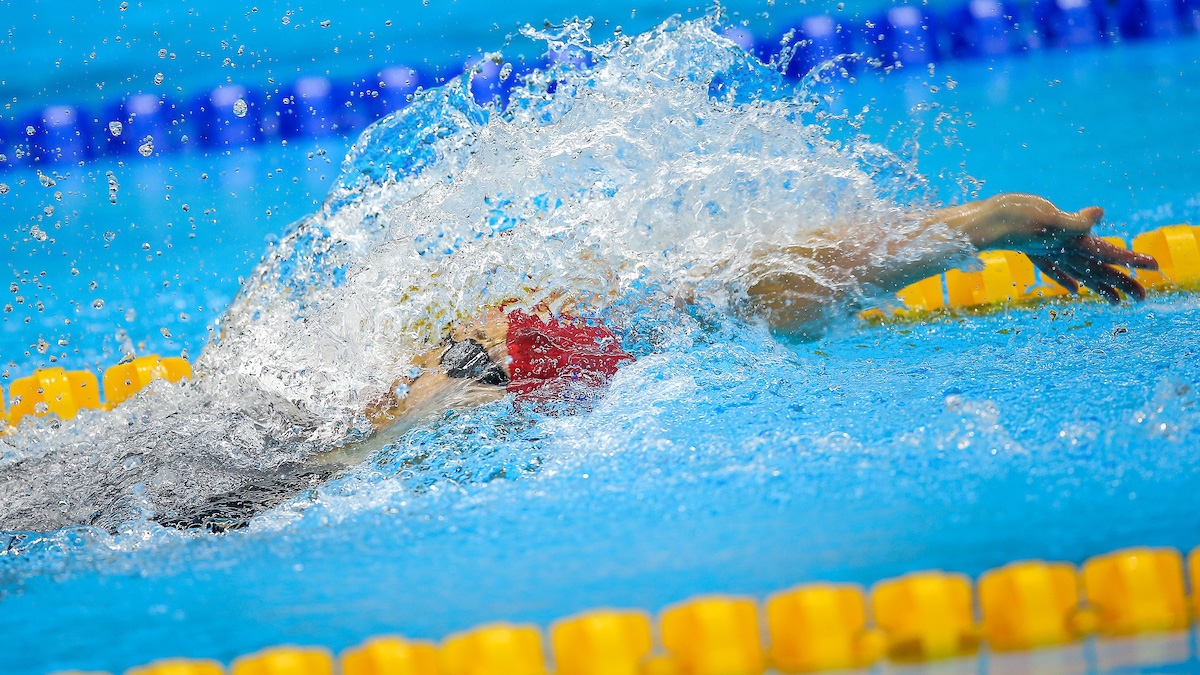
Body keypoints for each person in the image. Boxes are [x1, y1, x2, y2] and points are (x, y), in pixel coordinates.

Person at [161, 192, 1157, 531]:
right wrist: (1046, 232)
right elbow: (965, 226)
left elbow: (969, 225)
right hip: (498, 373)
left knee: (294, 443)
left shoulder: (727, 286)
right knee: (331, 470)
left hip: (474, 346)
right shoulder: (754, 297)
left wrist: (1032, 229)